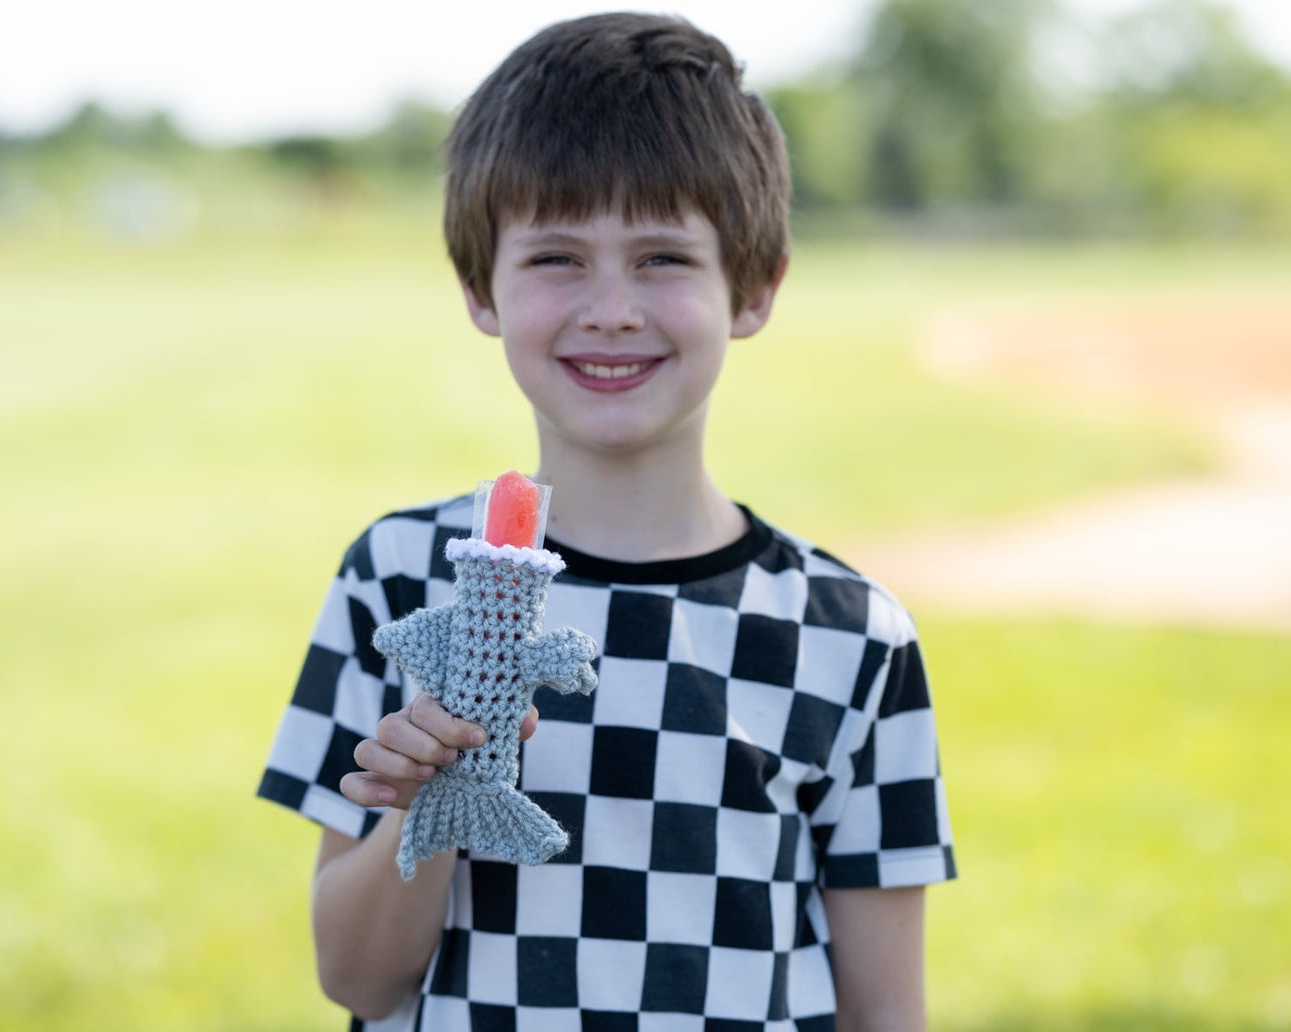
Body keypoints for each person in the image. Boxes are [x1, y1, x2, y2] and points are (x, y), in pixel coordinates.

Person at [257, 12, 956, 1030]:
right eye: (555, 259)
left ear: (753, 288)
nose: (611, 308)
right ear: (477, 286)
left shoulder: (851, 635)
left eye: (663, 258)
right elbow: (353, 980)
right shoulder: (399, 577)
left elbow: (883, 1011)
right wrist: (426, 801)